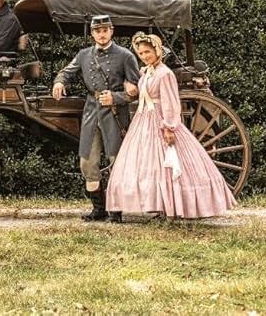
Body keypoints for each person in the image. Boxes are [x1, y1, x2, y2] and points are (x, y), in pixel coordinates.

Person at [106, 33, 236, 221]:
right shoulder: (147, 72)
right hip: (143, 121)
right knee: (145, 163)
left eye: (148, 52)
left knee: (167, 164)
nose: (144, 56)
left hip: (160, 120)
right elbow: (138, 89)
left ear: (157, 51)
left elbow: (171, 103)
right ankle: (157, 205)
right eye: (141, 53)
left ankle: (172, 206)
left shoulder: (165, 74)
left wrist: (169, 127)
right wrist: (127, 83)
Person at [52, 15, 140, 221]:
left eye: (105, 30)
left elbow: (138, 89)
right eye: (97, 31)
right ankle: (98, 209)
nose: (101, 34)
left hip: (116, 114)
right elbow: (67, 71)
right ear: (92, 34)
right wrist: (59, 82)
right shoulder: (84, 55)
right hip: (92, 112)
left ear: (112, 31)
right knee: (86, 162)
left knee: (116, 162)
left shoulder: (126, 56)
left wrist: (117, 97)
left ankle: (116, 211)